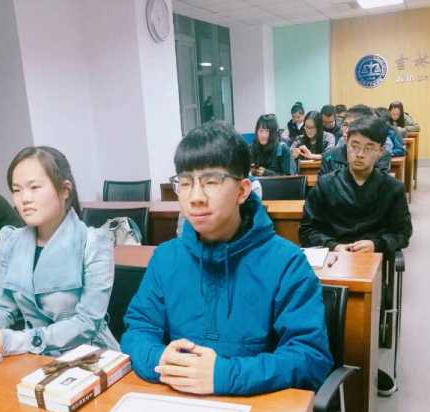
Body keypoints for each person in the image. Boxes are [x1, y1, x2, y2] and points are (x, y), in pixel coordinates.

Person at [121, 121, 333, 395]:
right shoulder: (165, 258)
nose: (195, 197)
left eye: (211, 182)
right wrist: (160, 360)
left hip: (257, 408)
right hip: (175, 403)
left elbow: (310, 358)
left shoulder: (286, 263)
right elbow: (137, 331)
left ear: (242, 191)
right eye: (185, 183)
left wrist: (223, 374)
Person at [0, 146, 118, 355]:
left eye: (34, 187)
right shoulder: (10, 241)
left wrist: (17, 340)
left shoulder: (93, 242)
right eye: (16, 190)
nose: (24, 198)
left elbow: (87, 322)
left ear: (65, 190)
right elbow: (1, 306)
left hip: (89, 355)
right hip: (35, 355)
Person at [300, 115, 412, 254]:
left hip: (374, 256)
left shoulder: (393, 188)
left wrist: (376, 244)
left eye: (368, 148)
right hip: (335, 257)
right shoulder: (325, 185)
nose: (359, 154)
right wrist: (334, 246)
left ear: (380, 151)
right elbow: (306, 230)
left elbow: (402, 233)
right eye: (354, 146)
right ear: (346, 144)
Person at [320, 105, 392, 175]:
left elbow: (379, 181)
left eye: (353, 126)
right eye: (345, 125)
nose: (347, 130)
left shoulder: (380, 155)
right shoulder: (329, 156)